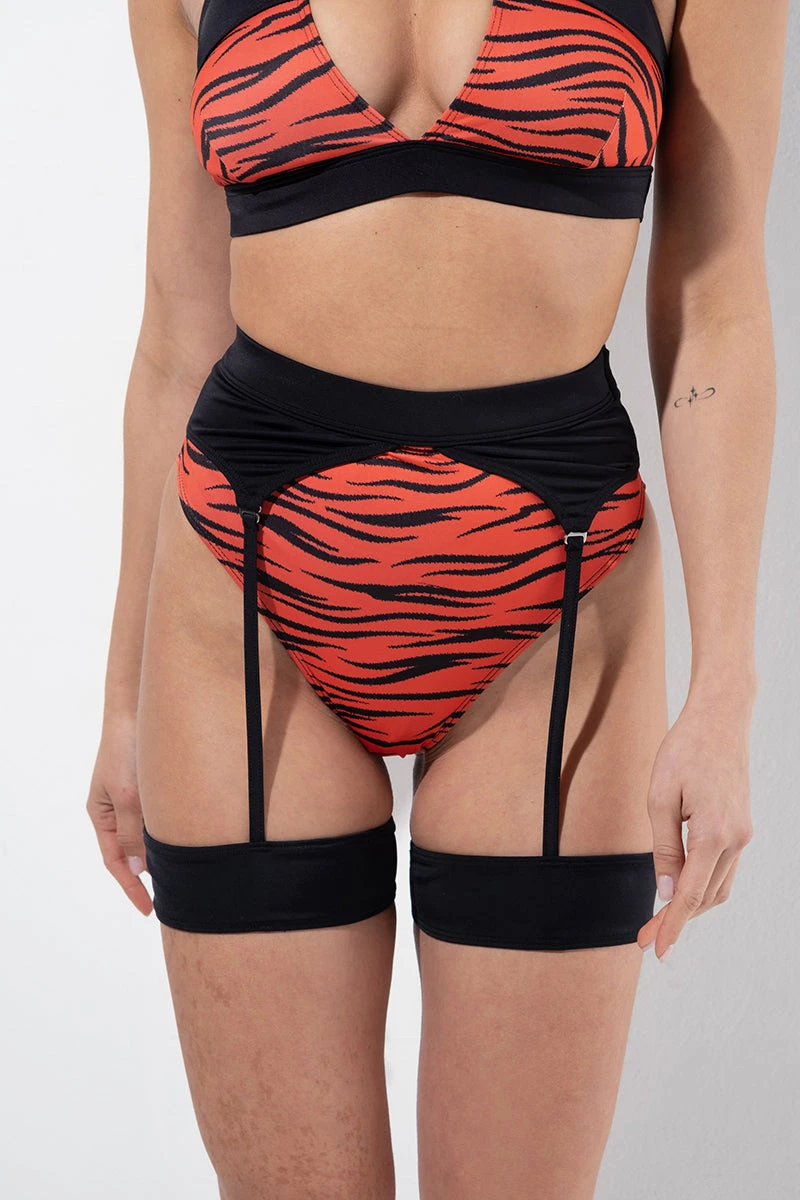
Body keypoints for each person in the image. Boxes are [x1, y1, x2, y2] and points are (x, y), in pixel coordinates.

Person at [86, 0, 788, 1195]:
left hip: (557, 596)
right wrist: (120, 702)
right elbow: (177, 332)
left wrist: (724, 688)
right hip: (245, 586)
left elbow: (716, 303)